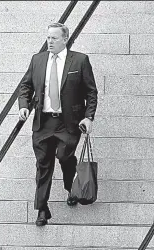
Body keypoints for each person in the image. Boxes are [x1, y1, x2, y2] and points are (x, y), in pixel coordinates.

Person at [18, 22, 98, 226]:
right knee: (43, 166)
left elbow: (91, 92)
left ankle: (70, 186)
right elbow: (25, 85)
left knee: (65, 156)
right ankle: (42, 209)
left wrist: (88, 117)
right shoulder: (38, 60)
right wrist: (24, 105)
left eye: (54, 38)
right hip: (43, 122)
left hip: (68, 123)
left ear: (65, 39)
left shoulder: (79, 61)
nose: (49, 41)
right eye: (48, 37)